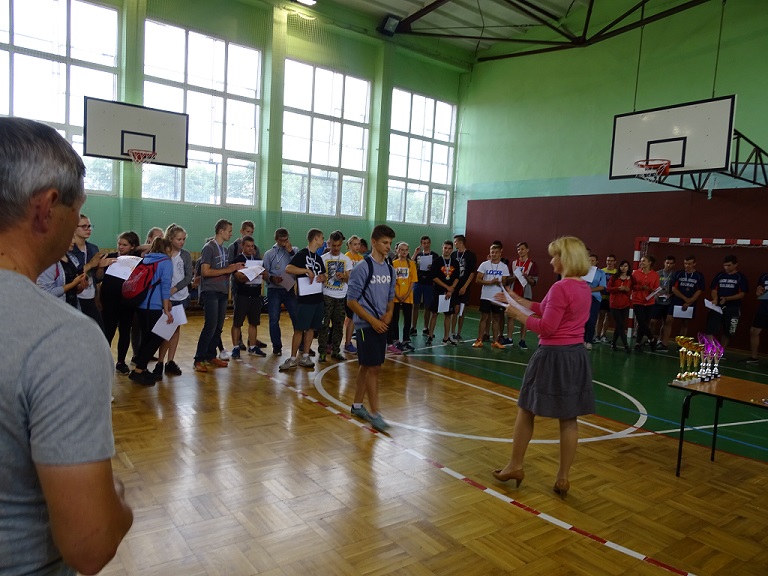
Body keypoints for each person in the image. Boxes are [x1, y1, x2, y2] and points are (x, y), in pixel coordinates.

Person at [0, 116, 133, 574]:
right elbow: (91, 544)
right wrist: (118, 503)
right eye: (77, 209)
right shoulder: (61, 338)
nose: (79, 222)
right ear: (46, 208)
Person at [492, 236, 593, 500]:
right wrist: (517, 299)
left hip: (552, 355)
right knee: (569, 418)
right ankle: (563, 477)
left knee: (526, 409)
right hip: (575, 356)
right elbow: (545, 309)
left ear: (565, 258)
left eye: (554, 256)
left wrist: (517, 315)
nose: (550, 261)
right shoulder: (583, 287)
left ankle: (515, 465)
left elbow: (547, 326)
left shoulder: (560, 287)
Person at [347, 225, 397, 433]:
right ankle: (375, 414)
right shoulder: (362, 267)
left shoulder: (390, 269)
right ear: (374, 242)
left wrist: (389, 314)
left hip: (381, 325)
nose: (388, 247)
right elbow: (351, 301)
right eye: (385, 242)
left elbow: (391, 297)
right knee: (374, 368)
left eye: (390, 243)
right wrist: (372, 321)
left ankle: (357, 405)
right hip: (366, 325)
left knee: (367, 366)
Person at [193, 219, 245, 372]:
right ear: (221, 231)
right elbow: (205, 271)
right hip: (210, 291)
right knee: (210, 325)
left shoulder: (225, 249)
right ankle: (199, 359)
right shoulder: (209, 248)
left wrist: (235, 267)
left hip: (222, 291)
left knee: (218, 327)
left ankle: (210, 355)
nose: (231, 233)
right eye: (229, 230)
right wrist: (229, 269)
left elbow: (225, 268)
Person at [128, 237, 175, 386]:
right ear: (167, 249)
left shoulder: (146, 259)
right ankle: (139, 370)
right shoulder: (165, 262)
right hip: (153, 305)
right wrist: (166, 309)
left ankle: (140, 369)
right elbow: (165, 287)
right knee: (157, 337)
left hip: (141, 304)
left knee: (147, 337)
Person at [280, 228, 327, 371]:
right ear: (315, 238)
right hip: (305, 299)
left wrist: (323, 277)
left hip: (318, 298)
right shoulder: (302, 254)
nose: (323, 240)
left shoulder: (318, 257)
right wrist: (305, 270)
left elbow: (324, 274)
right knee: (299, 328)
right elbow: (288, 268)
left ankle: (305, 356)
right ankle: (293, 358)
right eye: (322, 237)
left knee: (312, 328)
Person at [100, 231, 142, 374]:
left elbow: (148, 248)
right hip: (109, 301)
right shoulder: (110, 257)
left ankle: (121, 361)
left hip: (126, 302)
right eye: (119, 244)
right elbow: (99, 277)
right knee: (108, 331)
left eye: (125, 245)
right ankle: (104, 360)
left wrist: (137, 249)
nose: (121, 247)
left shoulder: (137, 260)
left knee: (124, 332)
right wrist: (101, 266)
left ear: (133, 246)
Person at [154, 224, 193, 376]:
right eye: (178, 239)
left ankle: (170, 361)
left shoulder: (185, 255)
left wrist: (175, 289)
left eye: (183, 239)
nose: (182, 242)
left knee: (176, 329)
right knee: (165, 330)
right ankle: (160, 362)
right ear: (170, 239)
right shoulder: (164, 254)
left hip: (181, 296)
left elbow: (188, 277)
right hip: (166, 297)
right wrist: (167, 293)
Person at [70, 213, 114, 331]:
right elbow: (71, 273)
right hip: (75, 297)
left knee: (99, 330)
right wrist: (91, 264)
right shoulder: (69, 249)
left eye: (89, 226)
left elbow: (98, 278)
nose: (88, 229)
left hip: (90, 297)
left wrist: (100, 267)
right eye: (84, 226)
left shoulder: (93, 248)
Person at [229, 235, 268, 360]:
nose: (250, 248)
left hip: (256, 294)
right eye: (248, 246)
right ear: (242, 246)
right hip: (242, 295)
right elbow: (239, 277)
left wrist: (261, 273)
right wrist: (254, 273)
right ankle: (236, 347)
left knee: (254, 322)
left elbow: (265, 275)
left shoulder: (257, 260)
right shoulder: (238, 260)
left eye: (252, 246)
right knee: (237, 323)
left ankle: (252, 346)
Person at [263, 227, 299, 356]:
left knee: (296, 316)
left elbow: (298, 265)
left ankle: (300, 344)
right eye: (281, 240)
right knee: (274, 318)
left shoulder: (294, 250)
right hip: (274, 289)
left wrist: (290, 252)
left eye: (286, 239)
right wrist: (272, 278)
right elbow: (264, 272)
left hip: (289, 289)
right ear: (276, 239)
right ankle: (277, 346)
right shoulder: (269, 254)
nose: (284, 242)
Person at [319, 230, 353, 362]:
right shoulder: (323, 258)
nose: (336, 248)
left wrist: (344, 276)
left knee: (338, 326)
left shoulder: (346, 260)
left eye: (338, 245)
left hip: (341, 296)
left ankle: (336, 351)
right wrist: (322, 277)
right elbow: (319, 276)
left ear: (342, 244)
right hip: (326, 295)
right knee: (324, 325)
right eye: (333, 245)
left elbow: (350, 278)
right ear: (329, 243)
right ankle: (322, 352)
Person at [706, 254, 749, 349]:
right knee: (710, 329)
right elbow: (714, 290)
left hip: (733, 308)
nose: (726, 267)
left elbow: (741, 294)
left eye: (729, 265)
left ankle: (721, 351)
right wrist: (715, 299)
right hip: (717, 307)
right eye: (725, 265)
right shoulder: (720, 275)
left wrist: (727, 298)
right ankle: (712, 350)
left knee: (728, 332)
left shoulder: (740, 277)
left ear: (735, 265)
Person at [472, 241, 509, 349]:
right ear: (490, 252)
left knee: (496, 318)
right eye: (492, 252)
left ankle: (495, 341)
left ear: (500, 253)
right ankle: (479, 340)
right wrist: (490, 282)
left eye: (496, 252)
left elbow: (505, 282)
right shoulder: (484, 264)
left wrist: (500, 282)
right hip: (486, 296)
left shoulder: (504, 267)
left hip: (497, 297)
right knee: (484, 317)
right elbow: (478, 280)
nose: (494, 254)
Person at [661, 255, 705, 347]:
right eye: (685, 263)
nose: (687, 266)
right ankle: (664, 343)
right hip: (677, 300)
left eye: (689, 264)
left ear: (694, 264)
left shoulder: (699, 276)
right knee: (668, 320)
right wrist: (685, 298)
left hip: (690, 302)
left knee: (685, 323)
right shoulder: (679, 274)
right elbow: (674, 288)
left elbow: (699, 290)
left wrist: (690, 301)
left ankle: (681, 345)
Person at [36, 235, 87, 308]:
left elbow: (73, 291)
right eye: (70, 238)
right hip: (55, 309)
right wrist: (73, 284)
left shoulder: (72, 258)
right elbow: (47, 293)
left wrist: (80, 286)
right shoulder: (49, 262)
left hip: (72, 307)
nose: (74, 241)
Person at [426, 240, 460, 346]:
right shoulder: (437, 261)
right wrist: (447, 287)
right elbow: (434, 277)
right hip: (438, 291)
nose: (447, 250)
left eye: (449, 248)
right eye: (445, 248)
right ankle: (430, 336)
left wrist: (451, 289)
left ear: (452, 250)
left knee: (448, 315)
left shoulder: (455, 262)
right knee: (434, 314)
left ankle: (446, 338)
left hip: (450, 292)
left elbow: (457, 277)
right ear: (442, 248)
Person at [506, 241, 538, 349]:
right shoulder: (513, 263)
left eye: (522, 249)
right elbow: (507, 279)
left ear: (527, 250)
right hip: (514, 293)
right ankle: (509, 338)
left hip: (525, 294)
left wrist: (526, 277)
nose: (520, 251)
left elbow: (534, 282)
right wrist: (514, 277)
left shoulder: (532, 264)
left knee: (525, 318)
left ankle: (522, 340)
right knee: (511, 316)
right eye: (518, 249)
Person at [390, 241, 417, 352]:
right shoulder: (393, 264)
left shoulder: (412, 264)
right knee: (395, 319)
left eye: (406, 250)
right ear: (397, 250)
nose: (404, 252)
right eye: (402, 250)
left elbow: (413, 281)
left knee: (407, 319)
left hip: (408, 297)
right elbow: (391, 282)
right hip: (395, 296)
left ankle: (406, 340)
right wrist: (397, 295)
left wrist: (406, 294)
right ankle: (396, 340)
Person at [450, 234, 477, 342]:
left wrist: (465, 286)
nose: (454, 243)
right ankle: (452, 332)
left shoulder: (470, 255)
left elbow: (472, 272)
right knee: (455, 309)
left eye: (455, 241)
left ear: (460, 242)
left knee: (461, 310)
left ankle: (458, 333)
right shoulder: (453, 254)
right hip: (454, 286)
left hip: (464, 286)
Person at [411, 236, 439, 337]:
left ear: (430, 243)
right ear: (421, 244)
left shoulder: (435, 255)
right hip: (418, 282)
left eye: (427, 243)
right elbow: (410, 264)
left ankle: (425, 328)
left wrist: (433, 267)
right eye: (424, 243)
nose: (426, 245)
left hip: (429, 284)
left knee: (428, 306)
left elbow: (438, 270)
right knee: (415, 305)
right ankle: (413, 327)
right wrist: (415, 253)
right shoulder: (418, 254)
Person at [631, 255, 660, 351]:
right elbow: (632, 286)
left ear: (650, 262)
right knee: (641, 321)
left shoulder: (655, 275)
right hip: (637, 301)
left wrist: (652, 290)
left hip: (649, 302)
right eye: (641, 261)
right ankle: (652, 339)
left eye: (644, 261)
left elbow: (656, 288)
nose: (641, 263)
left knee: (644, 323)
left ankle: (638, 343)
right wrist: (641, 287)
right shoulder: (635, 273)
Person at [343, 234, 365, 354]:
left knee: (356, 317)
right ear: (349, 245)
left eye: (359, 244)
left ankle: (352, 342)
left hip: (359, 291)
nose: (357, 246)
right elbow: (348, 276)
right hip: (347, 291)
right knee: (350, 317)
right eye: (355, 244)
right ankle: (347, 343)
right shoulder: (346, 257)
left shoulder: (361, 258)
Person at [652, 255, 677, 351]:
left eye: (671, 263)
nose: (669, 265)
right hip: (657, 301)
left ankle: (662, 342)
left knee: (667, 322)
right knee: (652, 321)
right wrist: (656, 293)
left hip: (669, 302)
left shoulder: (675, 275)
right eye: (667, 263)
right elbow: (652, 286)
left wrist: (671, 294)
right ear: (664, 263)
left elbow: (677, 288)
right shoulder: (657, 273)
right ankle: (651, 339)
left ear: (674, 264)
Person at [606, 260, 632, 352]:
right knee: (620, 324)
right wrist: (618, 289)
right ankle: (626, 345)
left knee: (619, 324)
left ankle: (613, 343)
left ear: (628, 268)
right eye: (622, 266)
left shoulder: (631, 278)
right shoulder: (614, 277)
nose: (623, 268)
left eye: (625, 266)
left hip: (625, 304)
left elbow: (632, 290)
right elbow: (608, 289)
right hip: (614, 304)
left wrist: (627, 290)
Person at [583, 254, 607, 350]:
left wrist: (590, 290)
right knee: (582, 319)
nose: (591, 262)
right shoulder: (582, 271)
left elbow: (602, 287)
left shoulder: (601, 273)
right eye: (589, 260)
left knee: (592, 320)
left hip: (594, 298)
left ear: (596, 262)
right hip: (582, 297)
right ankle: (581, 340)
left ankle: (589, 340)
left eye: (593, 261)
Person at [746, 271, 768, 364]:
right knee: (754, 331)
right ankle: (754, 357)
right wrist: (759, 293)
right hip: (764, 308)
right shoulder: (764, 277)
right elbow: (759, 293)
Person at [595, 254, 617, 343]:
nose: (609, 262)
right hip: (601, 297)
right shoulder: (601, 271)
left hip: (611, 298)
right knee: (600, 316)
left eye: (611, 261)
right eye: (608, 260)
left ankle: (603, 335)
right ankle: (597, 335)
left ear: (615, 262)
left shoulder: (616, 273)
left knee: (608, 316)